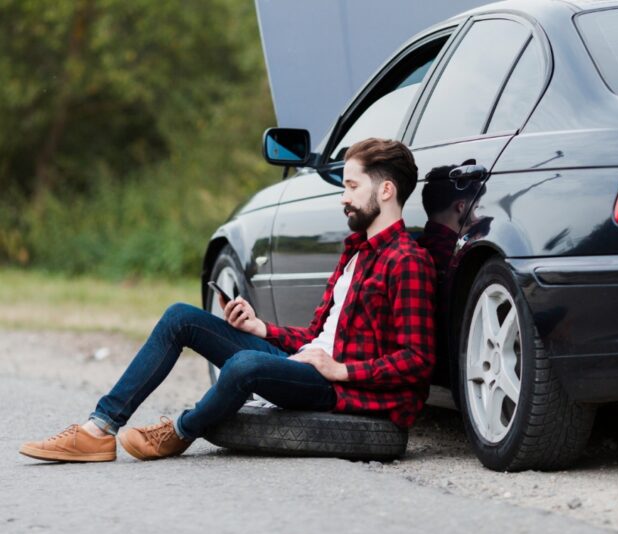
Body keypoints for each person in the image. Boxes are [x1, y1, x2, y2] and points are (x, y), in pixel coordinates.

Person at [19, 138, 436, 463]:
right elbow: (317, 337)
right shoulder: (355, 251)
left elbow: (418, 360)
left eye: (351, 186)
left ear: (385, 190)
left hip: (337, 387)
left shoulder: (407, 261)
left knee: (243, 366)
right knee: (181, 317)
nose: (343, 196)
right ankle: (98, 429)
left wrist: (341, 370)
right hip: (310, 366)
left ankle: (179, 431)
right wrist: (261, 329)